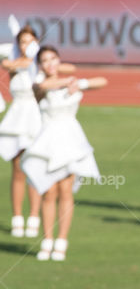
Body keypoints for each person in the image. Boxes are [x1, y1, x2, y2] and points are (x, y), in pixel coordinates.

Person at [20, 45, 107, 262]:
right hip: (48, 142)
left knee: (66, 192)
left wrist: (79, 83)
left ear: (59, 61)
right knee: (49, 193)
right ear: (40, 65)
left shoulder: (71, 81)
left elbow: (102, 81)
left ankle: (62, 241)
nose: (50, 64)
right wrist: (68, 81)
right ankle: (47, 239)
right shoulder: (40, 84)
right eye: (45, 61)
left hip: (71, 141)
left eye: (53, 59)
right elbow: (44, 85)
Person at [0, 24, 52, 237]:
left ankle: (34, 216)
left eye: (30, 41)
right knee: (18, 168)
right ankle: (17, 217)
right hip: (17, 118)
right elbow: (7, 61)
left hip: (36, 118)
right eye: (22, 41)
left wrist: (17, 60)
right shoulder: (12, 61)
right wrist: (11, 60)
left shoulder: (39, 63)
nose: (26, 45)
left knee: (34, 167)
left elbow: (31, 63)